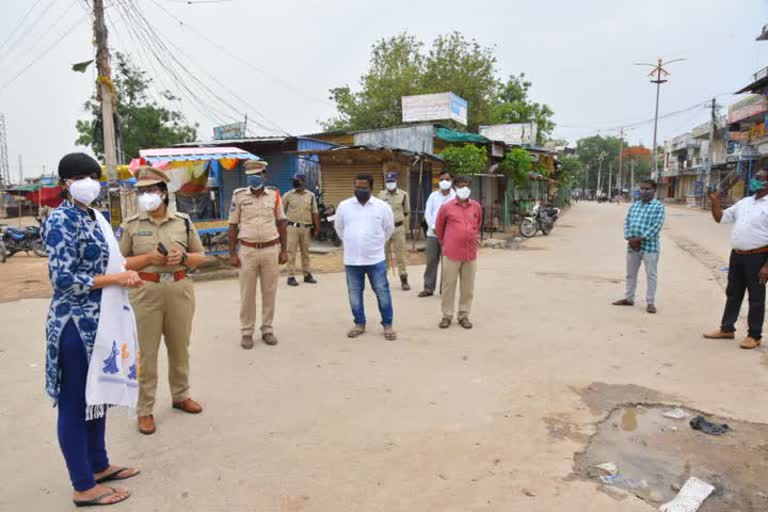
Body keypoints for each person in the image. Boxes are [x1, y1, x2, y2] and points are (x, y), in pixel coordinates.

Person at [43, 153, 141, 507]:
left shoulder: (96, 217)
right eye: (81, 176)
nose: (89, 181)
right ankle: (83, 485)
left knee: (98, 396)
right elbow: (64, 279)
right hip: (74, 324)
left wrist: (128, 270)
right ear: (64, 184)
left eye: (93, 175)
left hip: (104, 321)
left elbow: (114, 260)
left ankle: (98, 465)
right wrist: (115, 278)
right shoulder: (59, 221)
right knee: (73, 403)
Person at [118, 167, 206, 435]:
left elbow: (200, 256)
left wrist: (182, 259)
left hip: (179, 288)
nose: (146, 196)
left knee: (180, 347)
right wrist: (148, 259)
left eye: (152, 190)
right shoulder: (130, 225)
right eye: (142, 191)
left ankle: (181, 396)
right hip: (145, 292)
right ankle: (145, 410)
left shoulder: (183, 222)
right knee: (147, 352)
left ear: (164, 193)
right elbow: (119, 263)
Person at [704, 169, 768, 349]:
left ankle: (754, 335)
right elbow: (721, 218)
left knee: (756, 298)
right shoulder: (745, 202)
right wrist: (715, 203)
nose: (754, 180)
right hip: (737, 256)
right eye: (755, 177)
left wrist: (766, 266)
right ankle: (727, 328)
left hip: (758, 257)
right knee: (733, 293)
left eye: (759, 178)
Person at [228, 160, 288, 349]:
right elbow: (232, 225)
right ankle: (247, 332)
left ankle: (267, 329)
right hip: (247, 250)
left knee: (269, 292)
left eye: (258, 174)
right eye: (251, 175)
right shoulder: (238, 197)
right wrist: (232, 253)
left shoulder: (275, 196)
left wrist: (284, 250)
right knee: (247, 294)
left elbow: (282, 223)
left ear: (265, 175)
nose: (255, 178)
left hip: (271, 249)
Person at [335, 174, 397, 340]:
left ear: (371, 188)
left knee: (382, 292)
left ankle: (388, 325)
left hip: (375, 259)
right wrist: (353, 242)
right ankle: (359, 323)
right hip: (352, 260)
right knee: (354, 294)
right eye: (357, 187)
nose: (360, 190)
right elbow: (339, 229)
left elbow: (388, 229)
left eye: (364, 188)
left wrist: (373, 244)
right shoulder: (344, 206)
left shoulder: (382, 207)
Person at [435, 175, 482, 329]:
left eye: (467, 185)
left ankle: (464, 315)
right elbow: (439, 229)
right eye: (461, 185)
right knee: (449, 285)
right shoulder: (446, 207)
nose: (464, 188)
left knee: (468, 287)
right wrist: (447, 243)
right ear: (455, 188)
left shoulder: (476, 207)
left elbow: (478, 225)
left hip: (470, 253)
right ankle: (446, 316)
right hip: (451, 253)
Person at [612, 179, 665, 314]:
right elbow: (627, 222)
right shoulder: (634, 205)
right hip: (632, 246)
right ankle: (629, 298)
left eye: (647, 189)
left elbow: (656, 226)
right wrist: (629, 238)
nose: (643, 191)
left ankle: (650, 302)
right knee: (630, 274)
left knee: (651, 275)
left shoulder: (658, 206)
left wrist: (639, 239)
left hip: (650, 247)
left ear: (654, 190)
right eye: (641, 188)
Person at [419, 171, 455, 297]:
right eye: (441, 179)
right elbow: (428, 212)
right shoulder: (433, 196)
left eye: (446, 179)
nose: (443, 182)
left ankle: (444, 290)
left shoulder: (455, 197)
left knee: (447, 264)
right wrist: (434, 227)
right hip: (432, 234)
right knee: (431, 262)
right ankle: (428, 288)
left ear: (452, 180)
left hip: (449, 235)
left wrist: (445, 229)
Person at [282, 172, 320, 286]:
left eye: (297, 180)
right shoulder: (288, 195)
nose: (294, 182)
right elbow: (280, 211)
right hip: (292, 228)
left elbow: (315, 213)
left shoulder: (311, 196)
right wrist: (281, 227)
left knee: (305, 253)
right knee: (291, 253)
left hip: (306, 228)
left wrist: (317, 228)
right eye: (294, 180)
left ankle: (307, 274)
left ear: (303, 182)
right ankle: (291, 276)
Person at [377, 171, 411, 290]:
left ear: (396, 181)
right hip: (384, 229)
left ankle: (404, 280)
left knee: (400, 255)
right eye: (388, 181)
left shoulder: (403, 195)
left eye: (392, 181)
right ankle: (382, 281)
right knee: (383, 255)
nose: (390, 183)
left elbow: (406, 211)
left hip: (398, 228)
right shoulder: (380, 195)